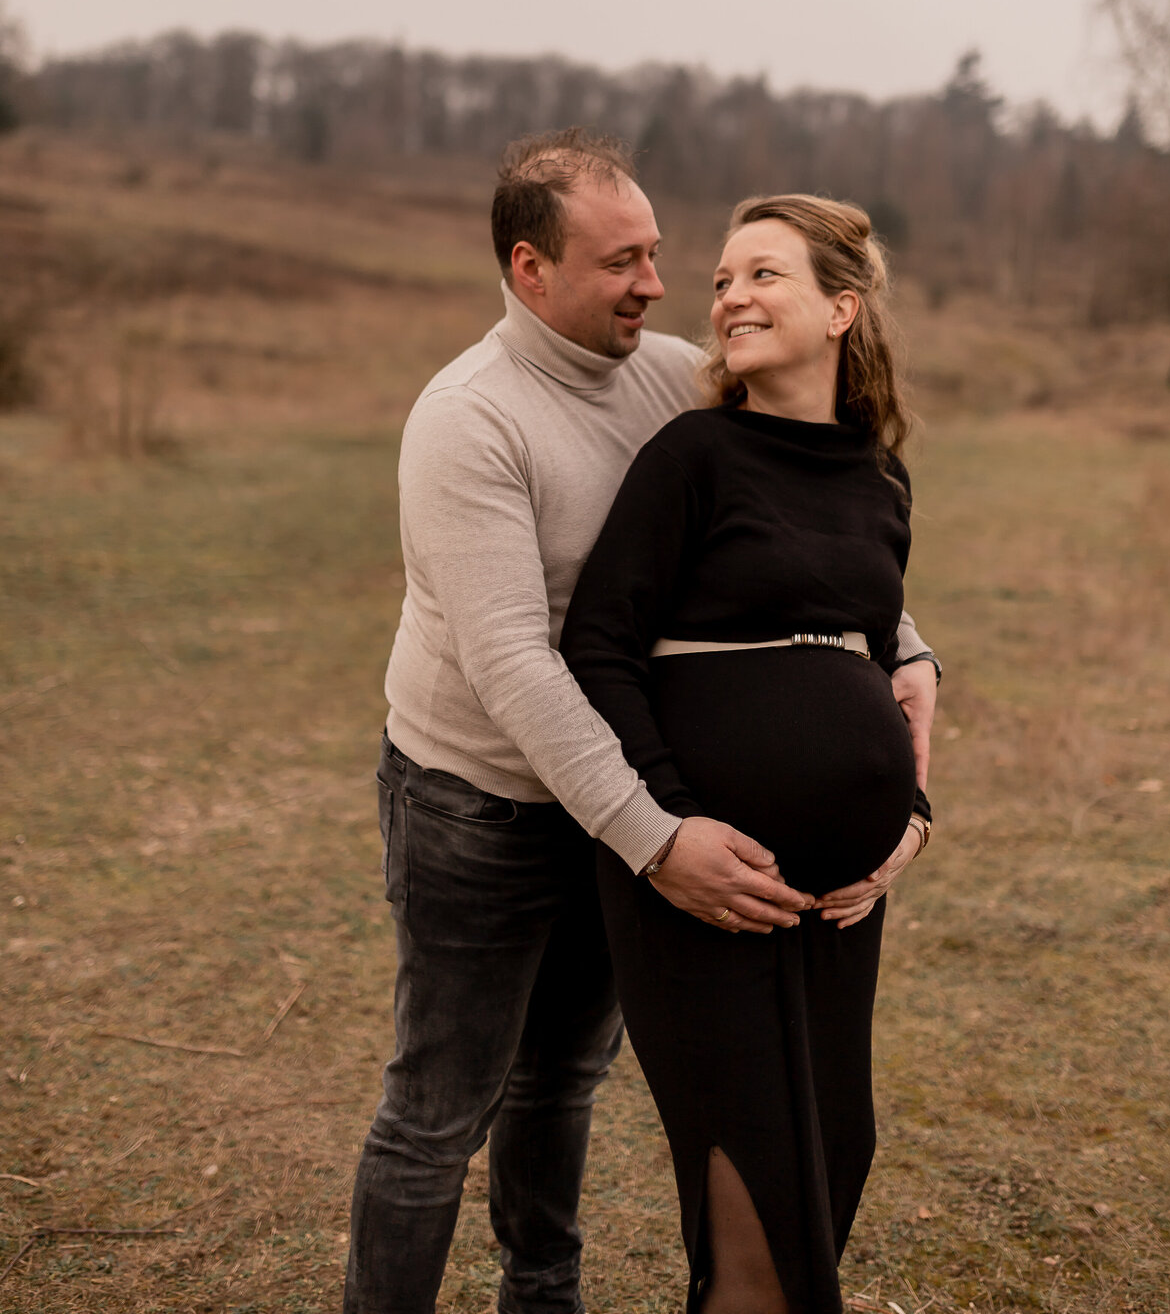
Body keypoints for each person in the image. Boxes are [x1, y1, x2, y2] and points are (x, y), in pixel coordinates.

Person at [344, 136, 939, 1314]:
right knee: (440, 1105)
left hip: (615, 787)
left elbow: (798, 520)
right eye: (625, 261)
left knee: (562, 1077)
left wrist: (905, 652)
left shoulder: (672, 373)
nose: (663, 288)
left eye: (665, 256)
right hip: (487, 795)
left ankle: (542, 1297)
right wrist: (658, 836)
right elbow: (518, 661)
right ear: (530, 268)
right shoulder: (470, 420)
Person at [560, 192, 934, 1314]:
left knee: (836, 1153)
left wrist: (910, 820)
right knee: (752, 1204)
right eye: (722, 279)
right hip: (704, 891)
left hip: (840, 906)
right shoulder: (693, 454)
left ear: (841, 309)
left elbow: (887, 667)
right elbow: (600, 645)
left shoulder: (880, 478)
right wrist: (669, 827)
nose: (727, 297)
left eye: (762, 275)